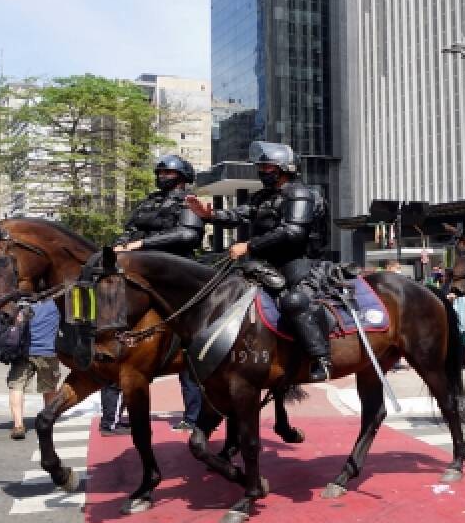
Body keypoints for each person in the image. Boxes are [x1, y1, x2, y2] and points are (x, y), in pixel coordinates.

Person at [187, 141, 332, 382]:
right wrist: (211, 215)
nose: (262, 171)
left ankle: (321, 357)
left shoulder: (299, 193)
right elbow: (240, 214)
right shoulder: (264, 196)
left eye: (268, 167)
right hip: (267, 262)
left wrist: (250, 245)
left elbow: (293, 231)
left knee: (294, 301)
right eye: (261, 167)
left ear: (285, 168)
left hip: (299, 262)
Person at [112, 153, 204, 427]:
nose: (163, 177)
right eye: (161, 173)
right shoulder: (149, 202)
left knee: (191, 346)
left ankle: (194, 415)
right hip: (142, 271)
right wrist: (117, 246)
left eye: (170, 174)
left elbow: (188, 234)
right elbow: (130, 231)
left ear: (183, 178)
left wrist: (142, 245)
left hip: (176, 273)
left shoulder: (188, 202)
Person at [7, 298, 61, 440]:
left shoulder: (22, 302)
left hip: (22, 352)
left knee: (16, 386)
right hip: (48, 351)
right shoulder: (55, 303)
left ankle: (18, 425)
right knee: (49, 388)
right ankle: (48, 420)